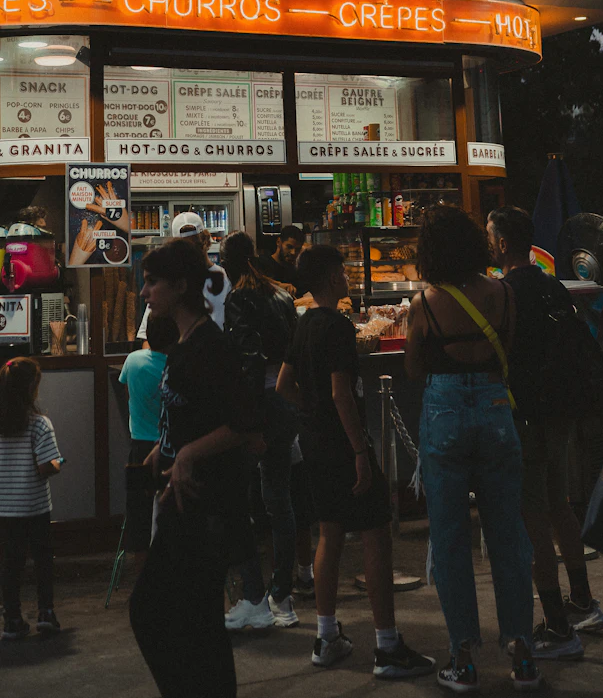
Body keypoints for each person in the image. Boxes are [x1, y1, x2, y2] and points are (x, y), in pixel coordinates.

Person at [277, 243, 435, 680]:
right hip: (343, 444)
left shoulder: (304, 323)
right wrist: (361, 452)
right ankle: (387, 646)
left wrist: (310, 413)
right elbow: (341, 394)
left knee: (328, 533)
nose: (347, 277)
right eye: (342, 272)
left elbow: (283, 386)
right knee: (375, 534)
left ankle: (326, 638)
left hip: (312, 441)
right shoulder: (338, 327)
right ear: (331, 278)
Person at [405, 205, 539, 693]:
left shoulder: (425, 301)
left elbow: (414, 368)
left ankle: (462, 660)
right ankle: (523, 655)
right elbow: (508, 348)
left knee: (450, 539)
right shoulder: (502, 293)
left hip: (443, 413)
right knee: (508, 536)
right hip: (494, 408)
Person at [129, 239, 259, 698]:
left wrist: (187, 455)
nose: (144, 292)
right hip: (184, 503)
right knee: (190, 617)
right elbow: (189, 413)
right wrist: (164, 450)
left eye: (152, 282)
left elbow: (245, 425)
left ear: (180, 285)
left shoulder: (209, 345)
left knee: (157, 612)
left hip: (206, 506)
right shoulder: (184, 343)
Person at [487, 206, 603, 654]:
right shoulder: (550, 284)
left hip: (527, 414)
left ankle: (556, 625)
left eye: (490, 235)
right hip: (560, 412)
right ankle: (583, 601)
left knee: (532, 515)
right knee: (559, 506)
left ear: (500, 243)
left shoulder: (504, 291)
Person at [220, 230, 300, 630]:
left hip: (258, 408)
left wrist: (248, 422)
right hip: (286, 402)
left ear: (228, 263)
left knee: (236, 501)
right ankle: (282, 594)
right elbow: (294, 352)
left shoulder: (239, 298)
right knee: (279, 499)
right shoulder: (281, 295)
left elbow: (248, 362)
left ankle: (254, 597)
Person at [0, 357, 64, 640]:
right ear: (30, 389)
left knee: (11, 563)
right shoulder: (40, 425)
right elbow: (45, 466)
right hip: (35, 505)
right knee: (42, 559)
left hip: (7, 507)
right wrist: (57, 464)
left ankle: (12, 619)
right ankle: (46, 613)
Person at [120, 313, 179, 567]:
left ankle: (144, 576)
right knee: (171, 513)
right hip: (167, 448)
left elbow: (128, 394)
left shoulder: (132, 361)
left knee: (140, 516)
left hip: (138, 447)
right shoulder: (174, 367)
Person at [258, 224, 305, 290]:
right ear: (279, 242)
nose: (293, 253)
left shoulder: (295, 271)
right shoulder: (263, 263)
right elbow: (258, 279)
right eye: (289, 247)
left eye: (297, 249)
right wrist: (279, 285)